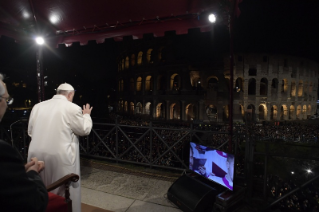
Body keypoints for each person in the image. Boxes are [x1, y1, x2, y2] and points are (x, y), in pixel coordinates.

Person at [28, 83, 93, 212]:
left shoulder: (37, 106)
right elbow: (84, 129)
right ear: (70, 94)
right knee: (64, 190)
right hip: (60, 156)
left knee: (40, 187)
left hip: (36, 154)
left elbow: (30, 131)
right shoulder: (72, 108)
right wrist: (86, 115)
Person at [0, 74, 48, 212]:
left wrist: (18, 171)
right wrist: (32, 173)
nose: (7, 105)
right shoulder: (3, 151)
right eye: (6, 100)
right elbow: (35, 203)